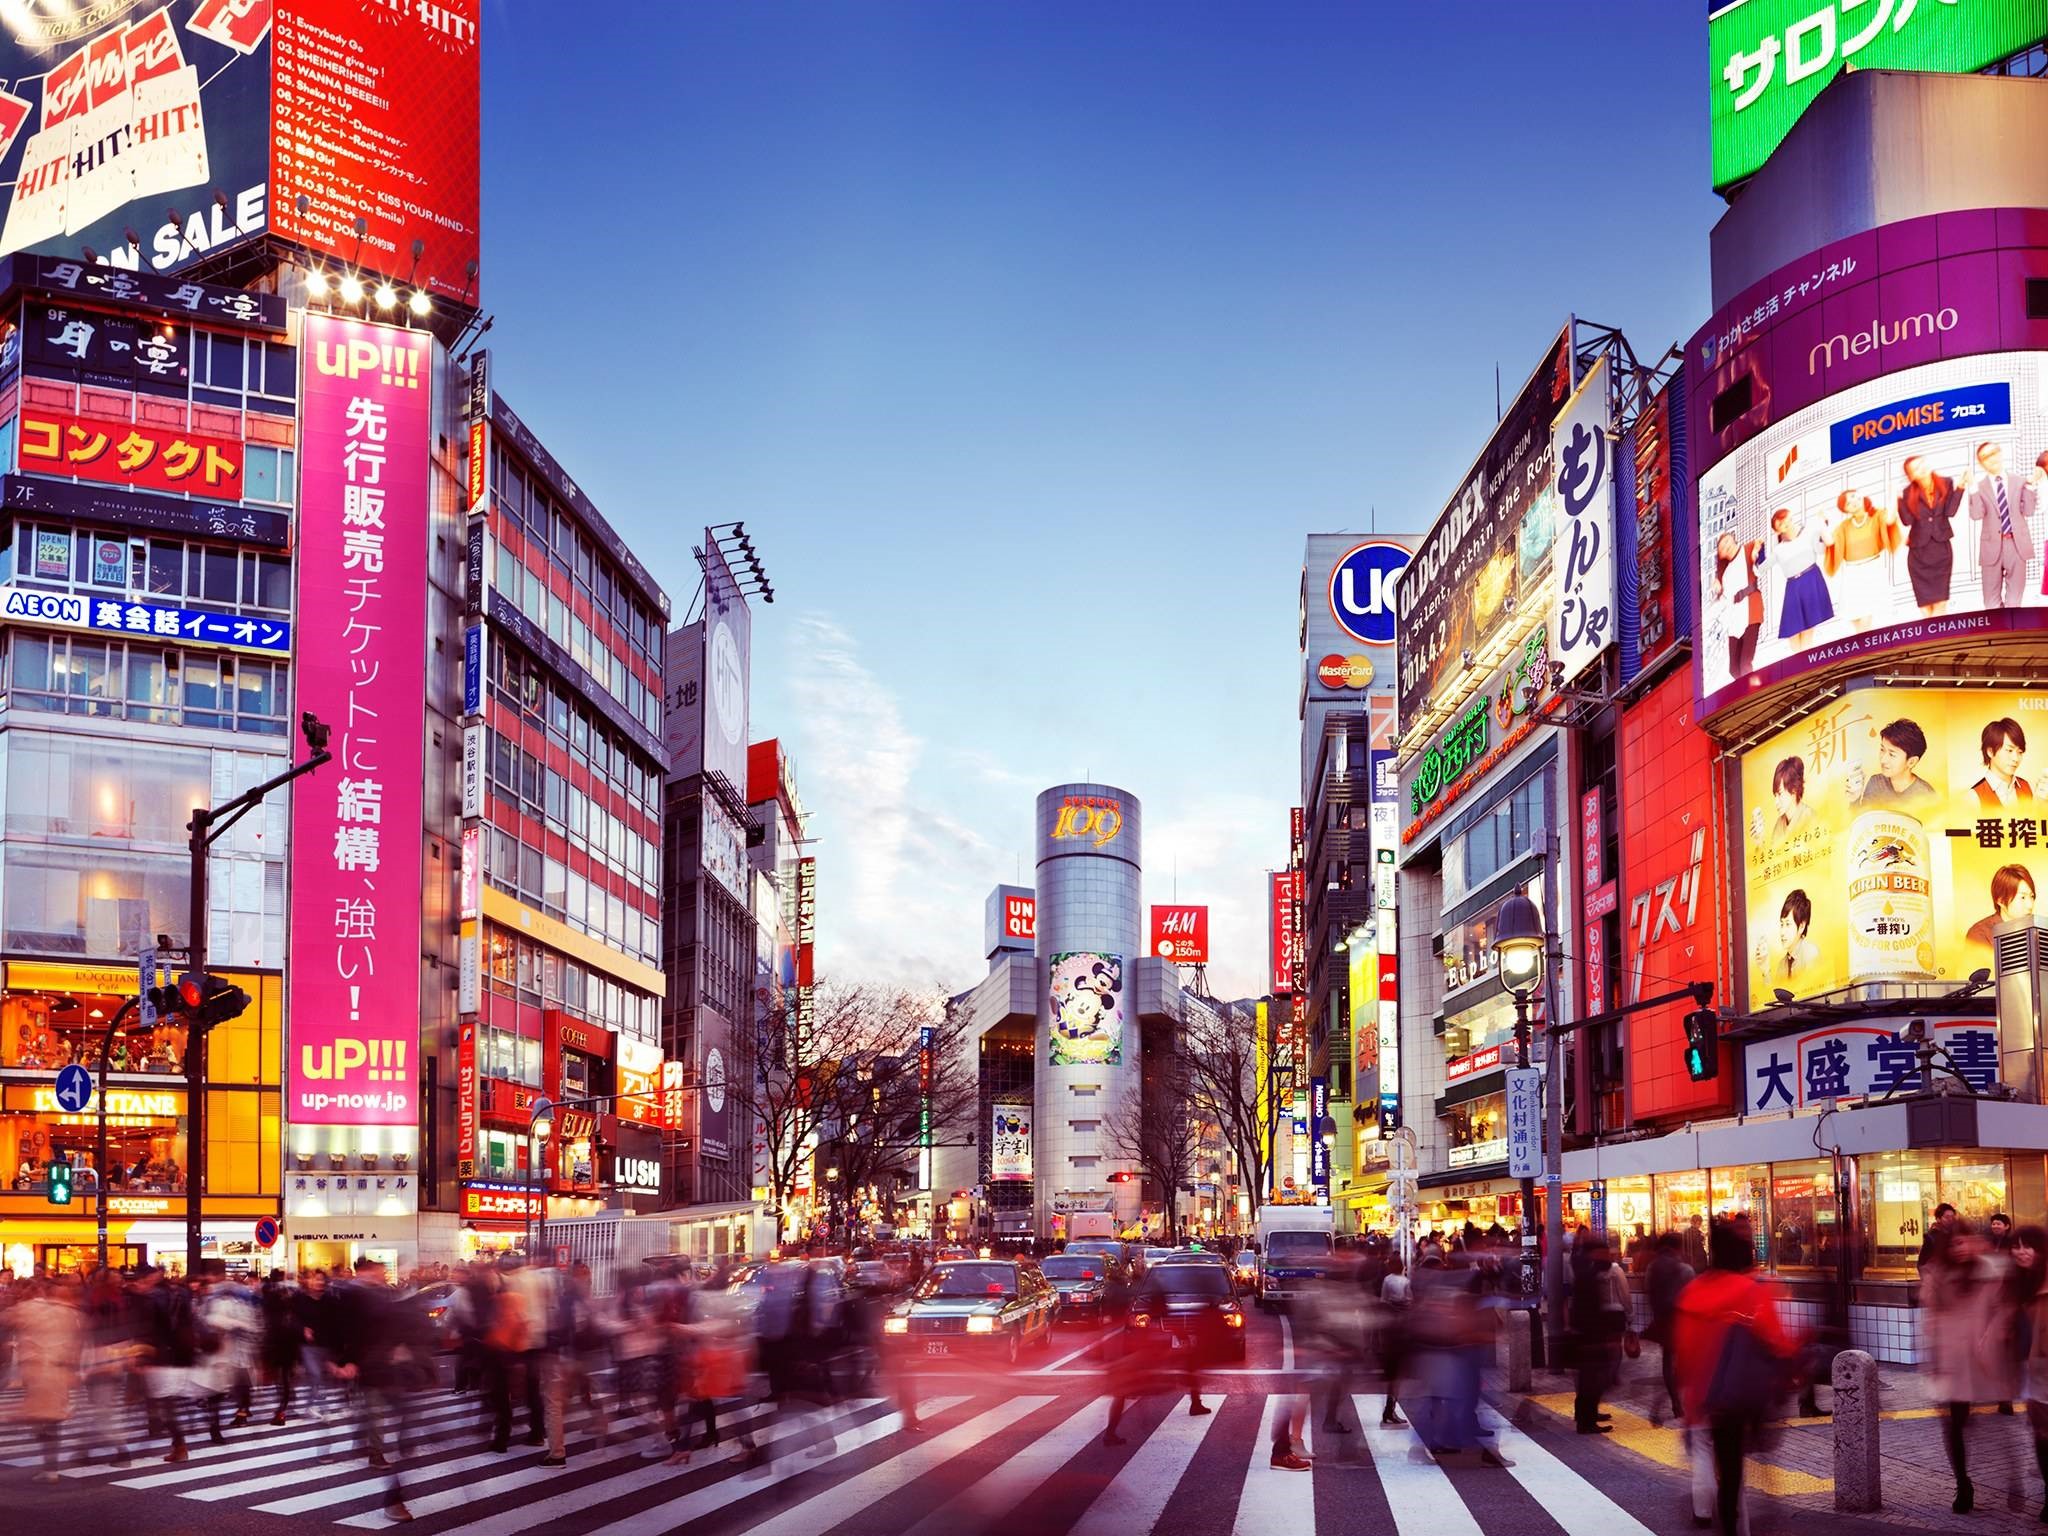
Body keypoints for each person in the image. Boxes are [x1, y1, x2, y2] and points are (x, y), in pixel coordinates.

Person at [1675, 1218, 1802, 1535]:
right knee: (1733, 1472)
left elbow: (1682, 1349)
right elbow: (1775, 1340)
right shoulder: (1748, 1290)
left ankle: (1708, 1513)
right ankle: (1733, 1528)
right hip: (1733, 1397)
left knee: (1712, 1458)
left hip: (1699, 1394)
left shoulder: (1692, 1290)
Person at [1924, 1219, 2018, 1513]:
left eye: (1964, 1241)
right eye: (1953, 1244)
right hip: (1952, 1362)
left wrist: (1995, 1333)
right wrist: (1935, 1362)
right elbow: (1930, 1321)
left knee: (1996, 1426)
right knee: (1954, 1425)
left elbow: (2006, 1309)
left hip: (1985, 1360)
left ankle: (2011, 1478)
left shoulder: (1990, 1272)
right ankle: (1963, 1483)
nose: (1960, 1248)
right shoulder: (1937, 1277)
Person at [1570, 1237, 1627, 1434]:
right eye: (1603, 1252)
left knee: (1591, 1378)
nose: (1607, 1256)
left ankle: (1588, 1414)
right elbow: (1587, 1308)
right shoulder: (1587, 1273)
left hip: (1589, 1333)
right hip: (1589, 1335)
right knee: (1592, 1378)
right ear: (1594, 1253)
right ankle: (1586, 1421)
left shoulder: (1588, 1270)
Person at [1823, 488, 1901, 632]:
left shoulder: (1877, 515)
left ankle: (1867, 645)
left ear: (1861, 495)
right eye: (1847, 502)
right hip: (1852, 573)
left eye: (1853, 496)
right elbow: (1830, 543)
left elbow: (1890, 519)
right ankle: (1863, 644)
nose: (1852, 501)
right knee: (1854, 616)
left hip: (1871, 569)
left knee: (1866, 614)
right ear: (1844, 509)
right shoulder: (1844, 526)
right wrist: (1823, 523)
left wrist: (1893, 496)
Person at [1969, 441, 2035, 608]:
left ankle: (2012, 631)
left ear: (2000, 453)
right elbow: (1976, 515)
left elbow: (2028, 511)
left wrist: (2030, 487)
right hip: (1991, 547)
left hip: (2017, 545)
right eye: (1985, 457)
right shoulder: (1979, 486)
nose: (1992, 459)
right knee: (1991, 603)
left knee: (2015, 601)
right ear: (1981, 463)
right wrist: (1972, 488)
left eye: (1994, 453)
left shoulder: (2020, 481)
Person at [1644, 1233, 1694, 1427]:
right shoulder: (1684, 1269)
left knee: (1668, 1361)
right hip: (1683, 1321)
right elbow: (1692, 1296)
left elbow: (1649, 1292)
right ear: (1678, 1247)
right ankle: (1669, 1403)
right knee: (1687, 1364)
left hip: (1663, 1321)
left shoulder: (1652, 1267)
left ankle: (1674, 1402)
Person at [1767, 507, 1835, 647]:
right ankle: (1800, 659)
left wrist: (1824, 525)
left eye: (1785, 519)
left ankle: (1805, 657)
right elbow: (1762, 567)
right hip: (1793, 586)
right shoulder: (1778, 549)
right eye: (1780, 523)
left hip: (1811, 578)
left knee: (1809, 627)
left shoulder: (1806, 533)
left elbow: (1821, 550)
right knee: (1792, 630)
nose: (1785, 523)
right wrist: (1758, 551)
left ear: (1791, 518)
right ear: (1777, 530)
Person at [1714, 534, 1765, 681]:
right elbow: (1725, 600)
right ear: (1720, 554)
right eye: (1722, 547)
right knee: (1733, 668)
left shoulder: (1748, 549)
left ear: (1734, 539)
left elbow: (1761, 552)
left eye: (1727, 541)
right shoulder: (1725, 574)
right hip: (1734, 618)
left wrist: (1758, 551)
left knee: (1745, 663)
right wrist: (1719, 590)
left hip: (1751, 610)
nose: (1726, 546)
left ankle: (1754, 690)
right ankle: (1749, 687)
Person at [1857, 718, 1938, 810]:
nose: (1883, 760)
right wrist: (1854, 799)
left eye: (1892, 754)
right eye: (1882, 750)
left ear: (1911, 762)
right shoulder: (1875, 782)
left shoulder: (1926, 795)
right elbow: (1863, 820)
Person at [1974, 718, 2035, 809]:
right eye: (2009, 750)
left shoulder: (2025, 786)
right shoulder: (1974, 796)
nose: (2016, 759)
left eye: (2020, 752)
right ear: (1990, 752)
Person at [1766, 757, 1816, 847]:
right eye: (1775, 795)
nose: (1776, 802)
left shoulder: (1810, 818)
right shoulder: (1778, 826)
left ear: (1794, 789)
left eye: (1780, 794)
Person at [1775, 889, 1821, 984]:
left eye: (1787, 924)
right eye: (1782, 924)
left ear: (1801, 926)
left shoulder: (1811, 954)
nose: (1782, 932)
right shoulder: (1781, 966)